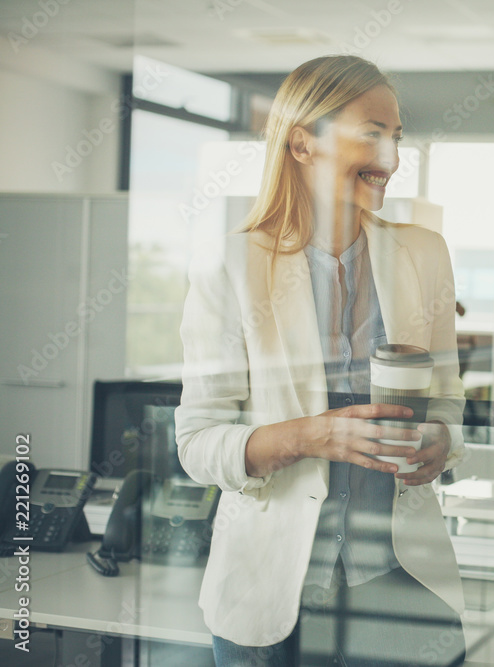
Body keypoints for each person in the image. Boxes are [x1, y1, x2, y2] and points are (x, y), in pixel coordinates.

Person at [175, 55, 466, 667]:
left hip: (400, 591)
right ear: (302, 143)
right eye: (371, 133)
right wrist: (312, 436)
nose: (390, 156)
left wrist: (441, 438)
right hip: (267, 603)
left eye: (397, 137)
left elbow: (446, 403)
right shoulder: (232, 268)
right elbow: (197, 444)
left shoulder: (424, 254)